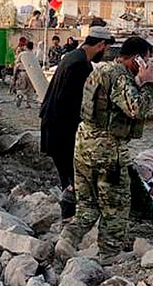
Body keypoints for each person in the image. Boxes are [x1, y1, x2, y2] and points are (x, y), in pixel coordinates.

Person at [59, 36, 153, 258]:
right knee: (116, 207)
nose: (148, 65)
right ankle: (109, 254)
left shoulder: (101, 71)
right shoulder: (120, 77)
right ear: (137, 59)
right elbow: (137, 109)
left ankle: (67, 240)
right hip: (107, 151)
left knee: (87, 206)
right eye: (146, 60)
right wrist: (148, 84)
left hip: (84, 145)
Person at [39, 26, 115, 219]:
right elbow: (76, 104)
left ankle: (69, 220)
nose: (105, 54)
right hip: (63, 130)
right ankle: (69, 222)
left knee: (68, 178)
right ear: (100, 45)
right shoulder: (80, 65)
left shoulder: (72, 57)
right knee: (73, 181)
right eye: (105, 49)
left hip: (54, 126)